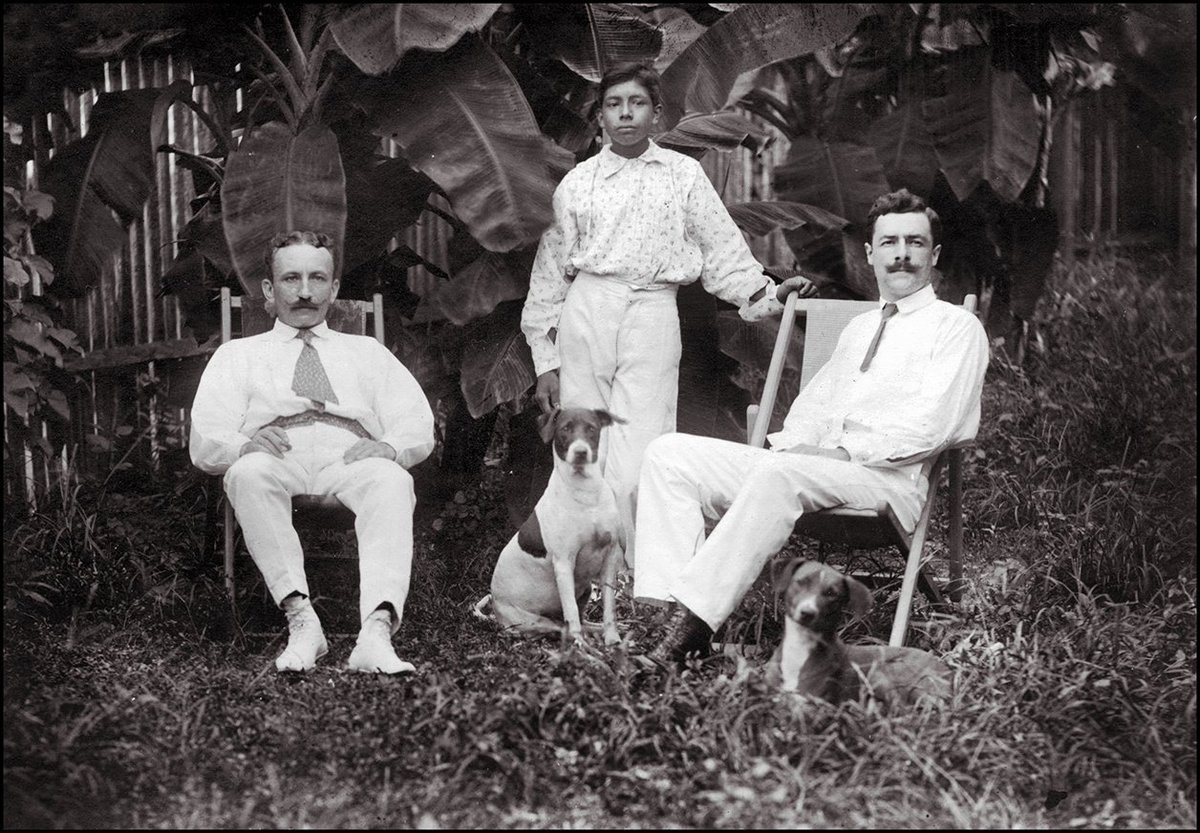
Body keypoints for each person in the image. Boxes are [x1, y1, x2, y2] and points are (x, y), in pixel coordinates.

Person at [632, 188, 990, 667]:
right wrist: (799, 448)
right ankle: (666, 616)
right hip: (812, 474)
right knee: (669, 453)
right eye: (889, 243)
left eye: (915, 242)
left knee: (778, 474)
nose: (902, 254)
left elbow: (935, 426)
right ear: (870, 254)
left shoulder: (956, 328)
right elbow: (812, 409)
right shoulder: (858, 328)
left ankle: (686, 633)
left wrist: (839, 454)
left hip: (888, 481)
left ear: (934, 254)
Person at [521, 62, 814, 564]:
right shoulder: (578, 182)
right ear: (600, 117)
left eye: (636, 103)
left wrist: (769, 293)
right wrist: (545, 360)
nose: (625, 114)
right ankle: (585, 572)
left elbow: (723, 253)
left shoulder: (683, 176)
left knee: (645, 447)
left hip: (653, 313)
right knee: (585, 446)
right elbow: (550, 272)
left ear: (656, 114)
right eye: (614, 104)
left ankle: (641, 571)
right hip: (588, 309)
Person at [190, 230, 435, 674]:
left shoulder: (367, 352)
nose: (305, 292)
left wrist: (388, 445)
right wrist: (244, 444)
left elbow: (415, 420)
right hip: (277, 455)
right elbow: (206, 434)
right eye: (291, 279)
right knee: (246, 473)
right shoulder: (238, 355)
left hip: (349, 456)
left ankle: (376, 633)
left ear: (334, 288)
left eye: (317, 278)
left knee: (393, 479)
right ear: (269, 289)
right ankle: (303, 622)